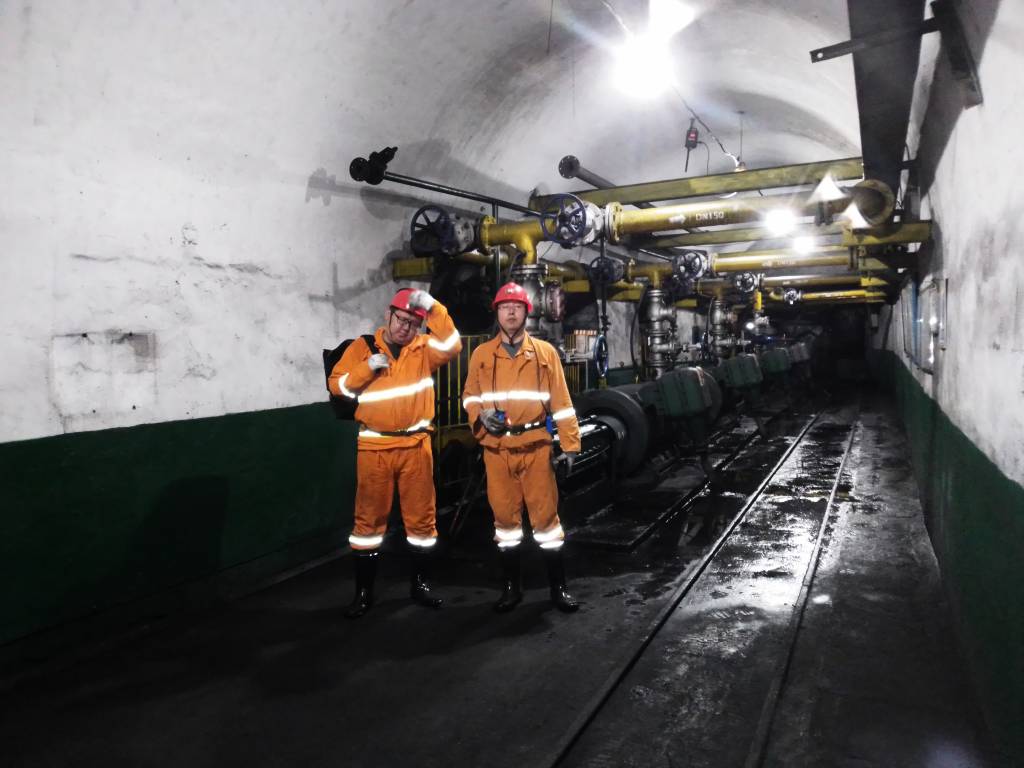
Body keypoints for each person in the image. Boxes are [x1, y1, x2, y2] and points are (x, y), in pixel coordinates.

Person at [328, 287, 461, 618]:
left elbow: (452, 345)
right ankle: (363, 593)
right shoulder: (362, 348)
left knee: (422, 521)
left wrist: (433, 307)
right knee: (368, 522)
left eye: (413, 323)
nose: (406, 327)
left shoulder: (424, 349)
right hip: (375, 447)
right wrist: (366, 368)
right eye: (402, 319)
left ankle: (420, 585)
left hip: (416, 446)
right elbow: (337, 385)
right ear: (388, 315)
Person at [461, 282, 581, 613]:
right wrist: (480, 414)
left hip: (536, 447)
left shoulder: (545, 353)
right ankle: (511, 588)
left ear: (527, 312)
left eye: (516, 307)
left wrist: (570, 445)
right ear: (497, 313)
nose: (510, 312)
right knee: (505, 523)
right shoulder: (482, 355)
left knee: (546, 522)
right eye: (504, 307)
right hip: (497, 450)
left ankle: (558, 588)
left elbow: (562, 402)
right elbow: (469, 395)